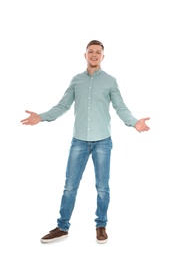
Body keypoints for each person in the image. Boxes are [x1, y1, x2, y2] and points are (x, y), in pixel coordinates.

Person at [20, 40, 150, 244]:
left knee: (102, 187)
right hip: (79, 141)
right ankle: (62, 227)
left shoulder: (110, 81)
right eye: (91, 52)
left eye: (98, 52)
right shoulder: (76, 80)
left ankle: (101, 225)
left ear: (103, 57)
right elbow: (62, 106)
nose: (94, 55)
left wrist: (134, 123)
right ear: (85, 55)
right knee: (70, 186)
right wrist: (42, 117)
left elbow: (120, 107)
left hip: (103, 142)